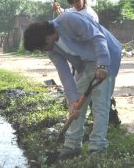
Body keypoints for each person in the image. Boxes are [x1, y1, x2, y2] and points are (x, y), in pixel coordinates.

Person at [23, 12, 121, 158]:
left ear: (46, 36)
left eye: (41, 47)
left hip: (106, 54)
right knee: (76, 107)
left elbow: (98, 38)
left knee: (100, 104)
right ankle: (72, 145)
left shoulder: (69, 20)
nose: (42, 50)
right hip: (86, 63)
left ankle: (97, 147)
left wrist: (102, 64)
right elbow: (65, 74)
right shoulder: (52, 50)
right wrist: (72, 101)